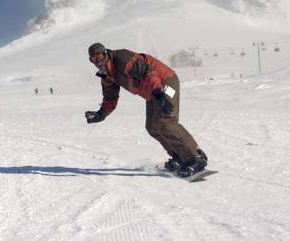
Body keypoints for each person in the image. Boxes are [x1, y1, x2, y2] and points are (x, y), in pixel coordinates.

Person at [84, 42, 207, 177]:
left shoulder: (122, 58)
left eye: (100, 56)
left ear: (106, 54)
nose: (98, 61)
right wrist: (101, 114)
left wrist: (159, 93)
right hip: (152, 92)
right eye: (94, 59)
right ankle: (179, 155)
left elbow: (149, 73)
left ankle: (195, 157)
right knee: (152, 126)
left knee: (165, 121)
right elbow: (110, 99)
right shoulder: (107, 75)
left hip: (164, 82)